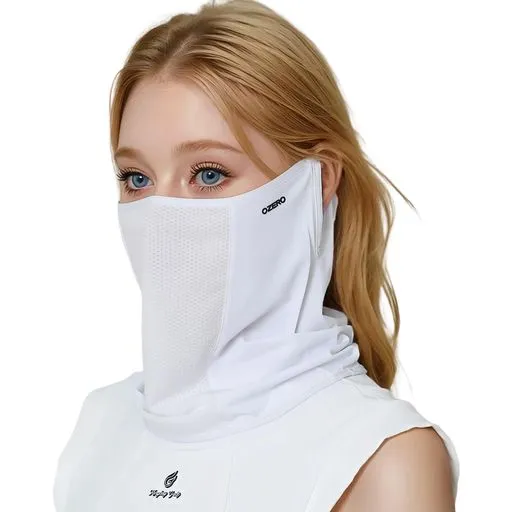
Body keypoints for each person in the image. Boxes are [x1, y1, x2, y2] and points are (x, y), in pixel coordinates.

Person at [52, 1, 459, 510]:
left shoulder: (382, 459)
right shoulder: (101, 426)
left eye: (208, 174)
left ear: (317, 181)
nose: (162, 213)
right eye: (138, 179)